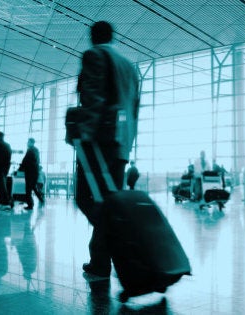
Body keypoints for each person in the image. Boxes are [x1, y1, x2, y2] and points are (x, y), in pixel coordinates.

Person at [73, 21, 140, 278]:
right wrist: (126, 144)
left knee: (84, 197)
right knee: (108, 201)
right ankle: (100, 261)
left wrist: (85, 137)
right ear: (113, 37)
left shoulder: (93, 55)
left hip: (99, 143)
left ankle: (117, 242)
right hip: (121, 144)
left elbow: (93, 98)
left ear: (92, 37)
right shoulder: (129, 66)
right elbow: (134, 109)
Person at [19, 138, 44, 210]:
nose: (27, 143)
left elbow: (25, 160)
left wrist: (20, 168)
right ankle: (41, 199)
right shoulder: (36, 150)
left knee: (28, 189)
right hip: (35, 171)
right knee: (33, 187)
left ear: (31, 142)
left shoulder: (30, 150)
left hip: (30, 172)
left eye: (28, 142)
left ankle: (30, 205)